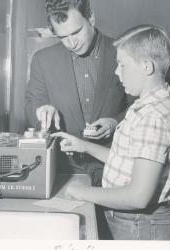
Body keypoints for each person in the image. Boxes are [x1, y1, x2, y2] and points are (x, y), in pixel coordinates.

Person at [52, 24, 170, 240]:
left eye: (122, 65)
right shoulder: (145, 107)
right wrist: (83, 145)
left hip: (142, 226)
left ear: (146, 67)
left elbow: (138, 196)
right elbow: (126, 160)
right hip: (133, 223)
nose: (116, 71)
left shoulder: (153, 118)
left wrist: (81, 192)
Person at [25, 0, 134, 183]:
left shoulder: (125, 53)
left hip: (117, 165)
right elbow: (31, 105)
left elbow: (140, 106)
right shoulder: (42, 60)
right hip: (64, 169)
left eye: (76, 32)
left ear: (91, 17)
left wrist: (115, 122)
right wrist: (42, 110)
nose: (71, 43)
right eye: (62, 37)